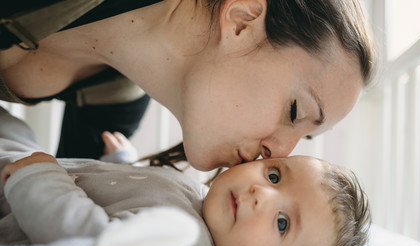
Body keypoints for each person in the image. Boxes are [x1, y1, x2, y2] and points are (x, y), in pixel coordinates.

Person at [0, 106, 371, 246]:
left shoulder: (184, 245)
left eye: (282, 224)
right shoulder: (195, 196)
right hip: (24, 165)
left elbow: (94, 242)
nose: (262, 194)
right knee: (14, 126)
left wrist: (38, 179)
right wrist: (122, 164)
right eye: (274, 176)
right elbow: (130, 193)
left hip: (13, 196)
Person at [0, 0, 377, 171]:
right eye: (295, 111)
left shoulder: (117, 103)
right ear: (243, 21)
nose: (279, 154)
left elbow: (53, 200)